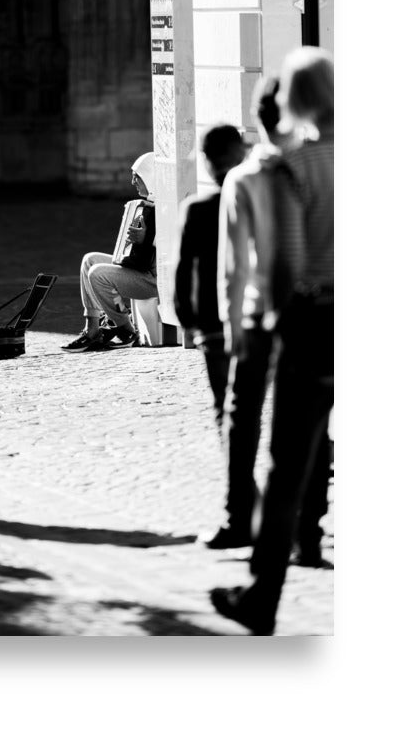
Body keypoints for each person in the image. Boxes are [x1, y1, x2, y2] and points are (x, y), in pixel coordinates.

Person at [210, 47, 334, 634]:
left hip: (314, 320)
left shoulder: (292, 168)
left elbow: (287, 261)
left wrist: (277, 324)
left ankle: (263, 594)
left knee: (288, 462)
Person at [173, 126, 247, 535]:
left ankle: (241, 508)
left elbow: (183, 275)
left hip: (216, 329)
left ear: (206, 161)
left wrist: (190, 321)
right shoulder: (258, 201)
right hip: (257, 322)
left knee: (229, 412)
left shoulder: (198, 209)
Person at [61, 152, 158, 353]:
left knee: (97, 273)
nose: (132, 181)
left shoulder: (166, 206)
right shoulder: (147, 205)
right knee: (89, 260)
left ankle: (127, 330)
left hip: (155, 280)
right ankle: (92, 329)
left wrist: (146, 240)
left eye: (137, 176)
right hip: (142, 270)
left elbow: (173, 242)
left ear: (150, 177)